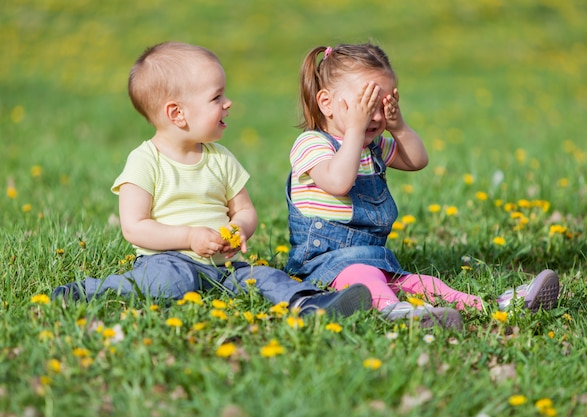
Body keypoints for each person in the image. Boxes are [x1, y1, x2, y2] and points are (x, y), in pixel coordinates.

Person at [52, 41, 372, 317]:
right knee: (171, 283)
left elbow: (245, 210)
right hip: (168, 260)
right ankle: (88, 291)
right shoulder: (145, 161)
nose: (227, 103)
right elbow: (134, 227)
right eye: (216, 97)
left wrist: (237, 229)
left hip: (223, 266)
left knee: (264, 277)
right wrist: (190, 238)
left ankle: (310, 304)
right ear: (177, 114)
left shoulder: (220, 158)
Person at [284, 43, 560, 329]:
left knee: (424, 283)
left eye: (382, 106)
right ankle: (398, 313)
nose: (375, 117)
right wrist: (355, 128)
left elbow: (416, 160)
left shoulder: (371, 146)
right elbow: (339, 182)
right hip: (322, 266)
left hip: (374, 258)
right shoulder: (311, 144)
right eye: (365, 105)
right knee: (366, 280)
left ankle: (498, 304)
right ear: (326, 103)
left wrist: (399, 126)